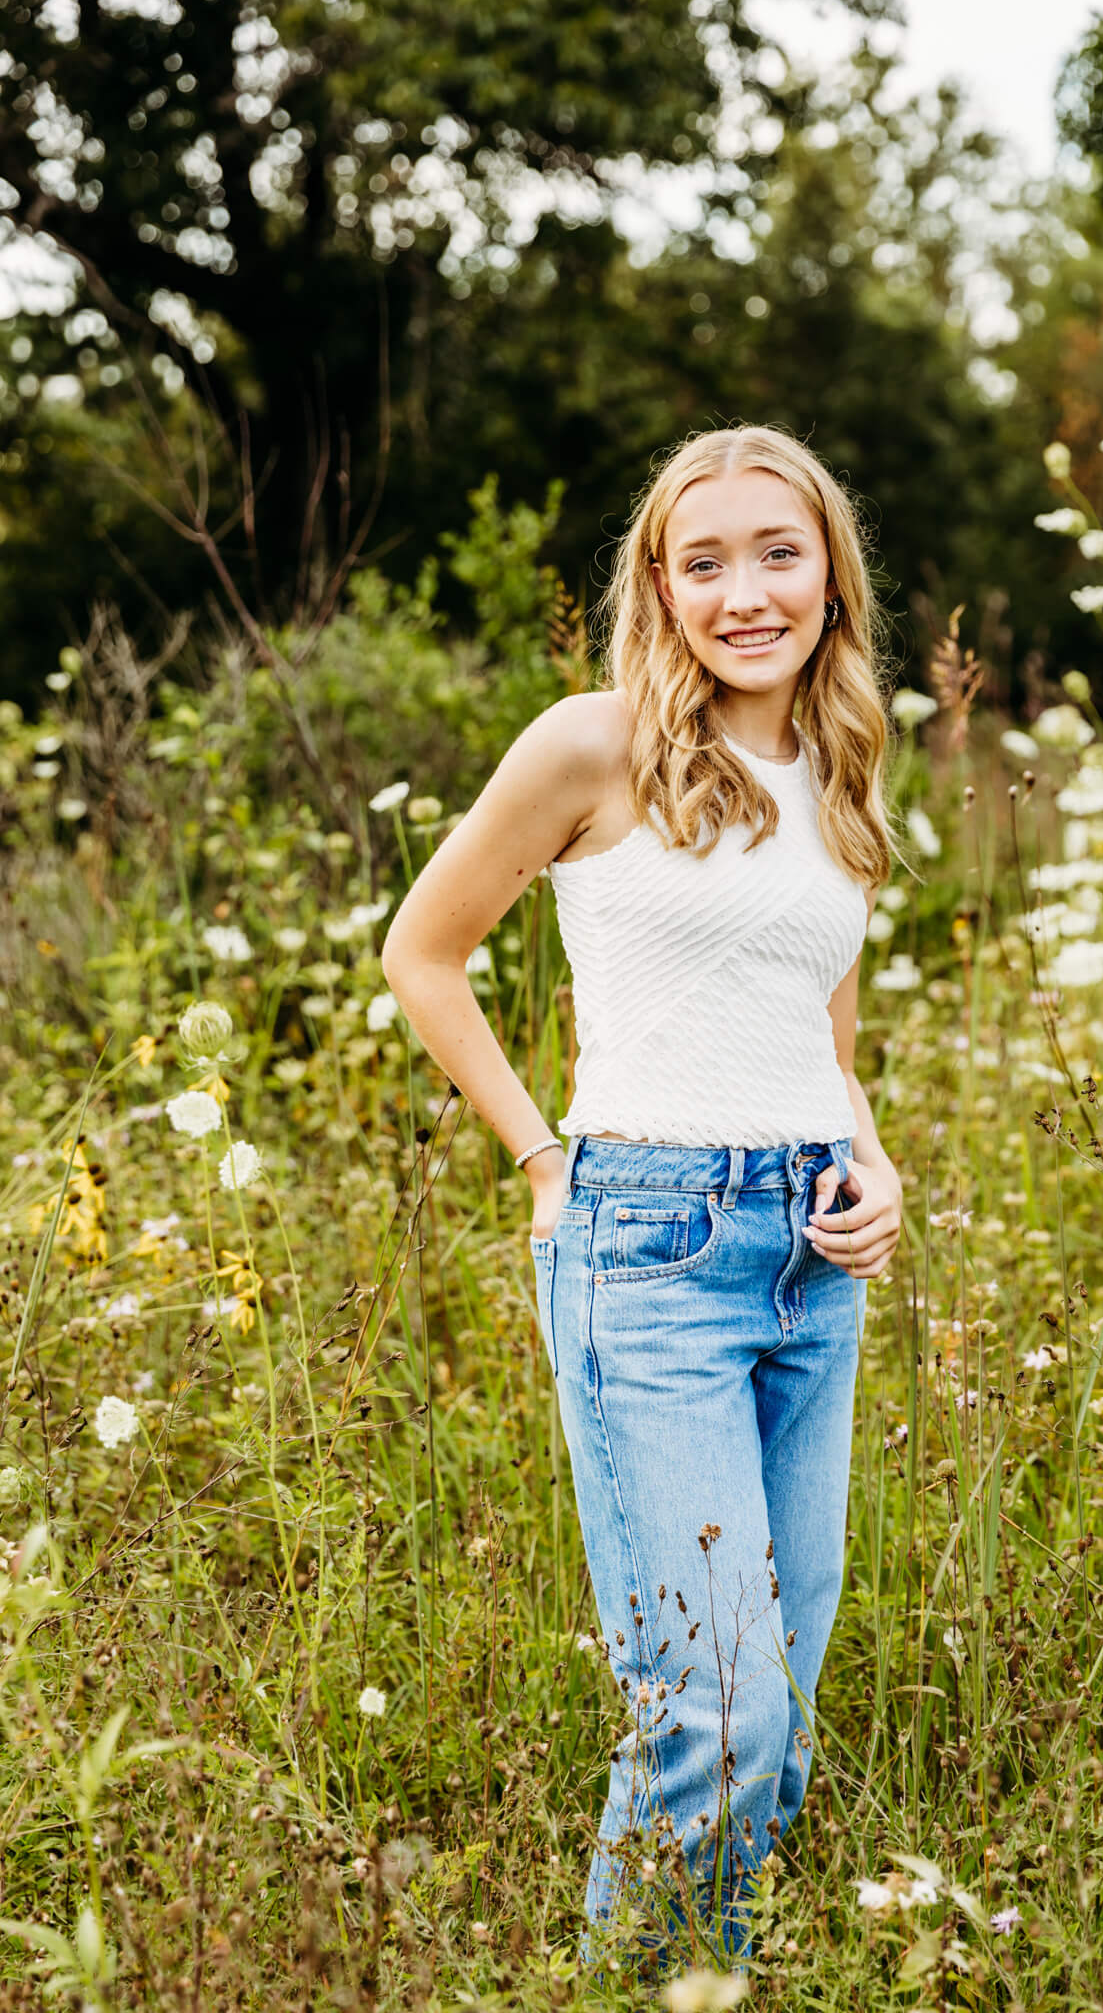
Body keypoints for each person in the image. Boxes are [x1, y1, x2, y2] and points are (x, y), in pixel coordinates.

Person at [381, 421, 908, 1983]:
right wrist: (545, 1164)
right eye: (704, 561)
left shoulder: (841, 767)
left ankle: (707, 1971)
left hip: (813, 1259)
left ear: (828, 573)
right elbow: (424, 950)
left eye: (777, 553)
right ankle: (632, 1987)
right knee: (717, 1705)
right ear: (658, 585)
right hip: (650, 1246)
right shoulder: (588, 746)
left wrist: (874, 1168)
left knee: (781, 1693)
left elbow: (820, 1035)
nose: (744, 591)